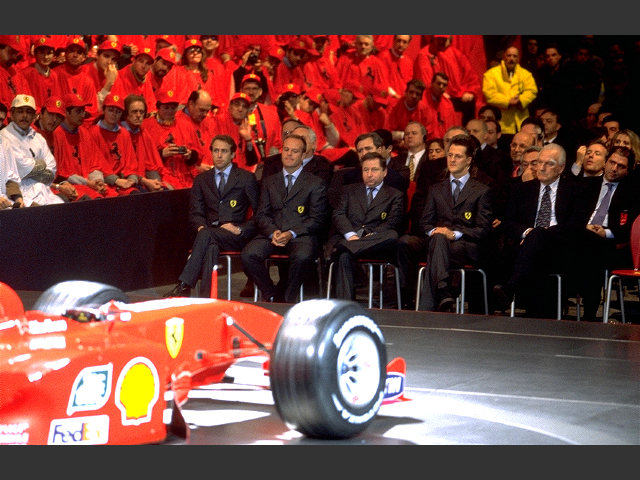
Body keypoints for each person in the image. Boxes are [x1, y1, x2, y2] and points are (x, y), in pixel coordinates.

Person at [493, 143, 591, 318]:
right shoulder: (522, 190)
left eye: (549, 163)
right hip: (526, 248)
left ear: (561, 168)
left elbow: (575, 226)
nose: (542, 168)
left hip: (561, 249)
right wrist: (528, 233)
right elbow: (507, 223)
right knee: (534, 241)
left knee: (539, 235)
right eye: (539, 162)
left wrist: (541, 234)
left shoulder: (575, 190)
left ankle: (510, 288)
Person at [164, 134, 259, 298]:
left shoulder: (246, 178)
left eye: (224, 151)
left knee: (207, 236)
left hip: (234, 235)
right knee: (210, 245)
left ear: (233, 154)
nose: (219, 155)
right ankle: (207, 298)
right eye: (216, 151)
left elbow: (260, 212)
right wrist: (201, 227)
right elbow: (195, 212)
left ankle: (184, 284)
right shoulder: (202, 179)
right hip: (209, 233)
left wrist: (240, 229)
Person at [241, 133, 328, 303]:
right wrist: (272, 231)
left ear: (303, 156)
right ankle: (271, 294)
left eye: (294, 151)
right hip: (272, 233)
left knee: (303, 257)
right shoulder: (270, 181)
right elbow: (261, 214)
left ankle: (288, 298)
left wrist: (291, 233)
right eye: (286, 149)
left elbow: (317, 219)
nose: (288, 154)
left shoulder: (315, 183)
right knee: (249, 254)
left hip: (300, 235)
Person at [412, 134, 493, 312]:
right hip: (439, 244)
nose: (452, 159)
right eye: (450, 155)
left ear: (469, 160)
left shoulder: (481, 191)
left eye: (458, 156)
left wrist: (455, 234)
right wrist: (436, 231)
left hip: (465, 247)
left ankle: (442, 293)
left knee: (440, 242)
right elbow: (424, 223)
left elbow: (483, 229)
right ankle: (443, 291)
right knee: (438, 239)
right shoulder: (435, 189)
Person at [328, 151, 404, 300]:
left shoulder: (395, 195)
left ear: (384, 172)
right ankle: (346, 304)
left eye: (374, 170)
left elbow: (392, 222)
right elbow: (338, 215)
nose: (369, 174)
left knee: (392, 236)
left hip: (377, 243)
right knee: (344, 256)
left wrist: (371, 236)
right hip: (352, 237)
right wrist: (352, 235)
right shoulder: (349, 190)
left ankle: (345, 246)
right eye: (366, 170)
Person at [574, 146, 637, 321]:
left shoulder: (632, 194)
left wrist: (606, 232)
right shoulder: (587, 186)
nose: (614, 169)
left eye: (621, 166)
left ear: (628, 170)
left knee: (592, 247)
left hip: (612, 245)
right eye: (612, 162)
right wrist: (585, 228)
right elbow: (573, 217)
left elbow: (629, 229)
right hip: (581, 236)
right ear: (606, 162)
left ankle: (589, 313)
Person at [0, 94, 65, 206]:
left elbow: (51, 172)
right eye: (20, 111)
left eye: (29, 112)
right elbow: (20, 169)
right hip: (20, 193)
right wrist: (41, 164)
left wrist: (30, 169)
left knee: (62, 207)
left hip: (41, 190)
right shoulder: (5, 136)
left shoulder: (38, 138)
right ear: (12, 114)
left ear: (35, 115)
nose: (24, 116)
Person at [51, 92, 110, 200]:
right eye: (78, 111)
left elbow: (95, 164)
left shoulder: (84, 132)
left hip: (88, 182)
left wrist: (98, 181)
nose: (83, 115)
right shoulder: (56, 134)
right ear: (66, 112)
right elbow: (61, 174)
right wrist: (88, 183)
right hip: (70, 185)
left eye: (83, 110)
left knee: (113, 196)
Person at [413, 35, 482, 125]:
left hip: (455, 96)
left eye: (444, 39)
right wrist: (441, 93)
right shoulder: (425, 54)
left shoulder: (456, 54)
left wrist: (470, 91)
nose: (441, 42)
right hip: (436, 97)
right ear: (434, 38)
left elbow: (471, 76)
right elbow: (425, 81)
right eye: (439, 39)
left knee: (470, 103)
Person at [142, 88, 203, 189]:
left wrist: (189, 155)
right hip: (161, 178)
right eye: (166, 108)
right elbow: (140, 158)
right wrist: (161, 154)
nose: (170, 111)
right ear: (158, 107)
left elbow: (199, 155)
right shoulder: (146, 126)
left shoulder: (186, 125)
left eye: (173, 108)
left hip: (185, 177)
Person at [120, 94, 174, 191]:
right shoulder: (119, 134)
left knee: (165, 190)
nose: (138, 115)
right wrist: (146, 181)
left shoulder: (143, 133)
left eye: (141, 112)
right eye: (134, 112)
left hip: (144, 177)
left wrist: (157, 181)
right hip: (127, 181)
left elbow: (153, 164)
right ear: (126, 114)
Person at [482, 46, 538, 136]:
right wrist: (508, 101)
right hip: (501, 122)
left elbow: (532, 91)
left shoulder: (526, 74)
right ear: (504, 57)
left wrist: (521, 100)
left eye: (515, 56)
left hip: (521, 121)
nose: (512, 59)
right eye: (509, 55)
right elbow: (489, 94)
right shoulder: (491, 74)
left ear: (518, 58)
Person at [386, 79, 430, 144]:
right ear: (406, 93)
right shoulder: (394, 106)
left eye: (417, 94)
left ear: (421, 97)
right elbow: (390, 133)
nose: (414, 96)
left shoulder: (425, 110)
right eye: (411, 92)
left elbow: (427, 134)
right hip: (397, 146)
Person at [423, 72, 462, 139]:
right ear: (431, 83)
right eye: (439, 83)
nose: (441, 87)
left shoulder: (448, 104)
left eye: (444, 85)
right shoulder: (421, 100)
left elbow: (453, 128)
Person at [377, 35, 414, 103]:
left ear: (408, 44)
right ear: (393, 41)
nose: (401, 44)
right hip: (387, 102)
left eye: (404, 42)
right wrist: (396, 96)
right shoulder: (383, 57)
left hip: (402, 103)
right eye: (399, 40)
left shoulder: (408, 62)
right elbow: (381, 82)